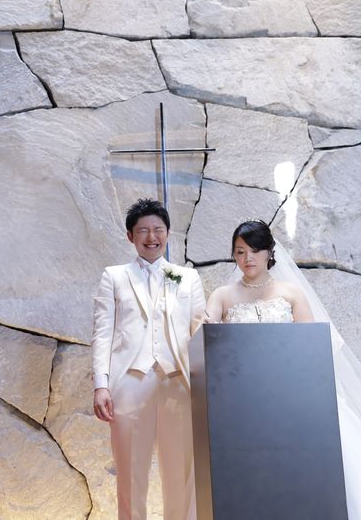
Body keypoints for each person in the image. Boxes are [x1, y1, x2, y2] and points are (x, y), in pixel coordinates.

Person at [206, 219, 361, 520]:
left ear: (269, 252)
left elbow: (311, 347)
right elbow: (206, 336)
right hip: (244, 403)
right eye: (240, 252)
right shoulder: (222, 295)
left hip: (292, 398)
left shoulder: (291, 293)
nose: (247, 258)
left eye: (254, 250)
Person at [92, 198, 206, 520]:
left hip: (178, 384)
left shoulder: (188, 278)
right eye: (143, 230)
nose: (151, 236)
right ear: (131, 236)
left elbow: (200, 330)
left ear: (168, 233)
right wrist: (101, 385)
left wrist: (206, 385)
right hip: (129, 383)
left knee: (180, 474)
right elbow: (102, 333)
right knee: (130, 474)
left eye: (158, 229)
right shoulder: (114, 276)